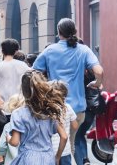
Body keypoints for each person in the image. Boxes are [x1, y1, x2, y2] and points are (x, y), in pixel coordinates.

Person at [33, 18, 103, 150]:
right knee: (69, 145)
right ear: (75, 31)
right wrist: (97, 83)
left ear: (58, 32)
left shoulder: (50, 50)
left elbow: (33, 73)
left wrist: (42, 89)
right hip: (78, 108)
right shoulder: (83, 50)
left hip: (55, 106)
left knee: (57, 146)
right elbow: (99, 71)